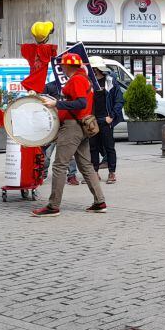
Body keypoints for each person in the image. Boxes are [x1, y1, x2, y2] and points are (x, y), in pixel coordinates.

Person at [32, 53, 106, 216]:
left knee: (59, 165)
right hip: (81, 126)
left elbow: (81, 103)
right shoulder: (84, 79)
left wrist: (56, 103)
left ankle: (53, 206)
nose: (62, 68)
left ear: (67, 66)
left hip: (72, 127)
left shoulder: (77, 80)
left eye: (63, 66)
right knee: (86, 166)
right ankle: (99, 202)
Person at [88, 57, 124, 184]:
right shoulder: (88, 82)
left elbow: (119, 101)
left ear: (95, 68)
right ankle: (95, 173)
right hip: (91, 120)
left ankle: (111, 173)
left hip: (106, 119)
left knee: (109, 147)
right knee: (93, 147)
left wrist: (111, 117)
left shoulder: (110, 81)